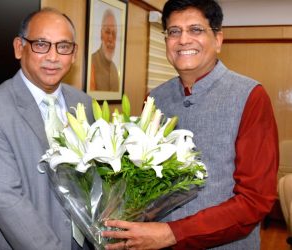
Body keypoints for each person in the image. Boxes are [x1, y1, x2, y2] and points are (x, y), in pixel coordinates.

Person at [102, 0, 279, 249]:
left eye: (196, 30)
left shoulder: (249, 96)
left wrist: (173, 233)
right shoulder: (155, 99)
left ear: (218, 39)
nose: (183, 39)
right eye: (174, 31)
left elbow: (255, 200)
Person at [0, 8, 95, 250]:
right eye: (42, 45)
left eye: (63, 46)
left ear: (74, 53)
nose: (53, 56)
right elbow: (5, 200)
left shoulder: (85, 104)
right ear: (19, 47)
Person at [90, 8, 119, 91]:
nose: (110, 38)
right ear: (101, 34)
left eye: (114, 33)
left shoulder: (115, 70)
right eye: (107, 32)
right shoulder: (91, 63)